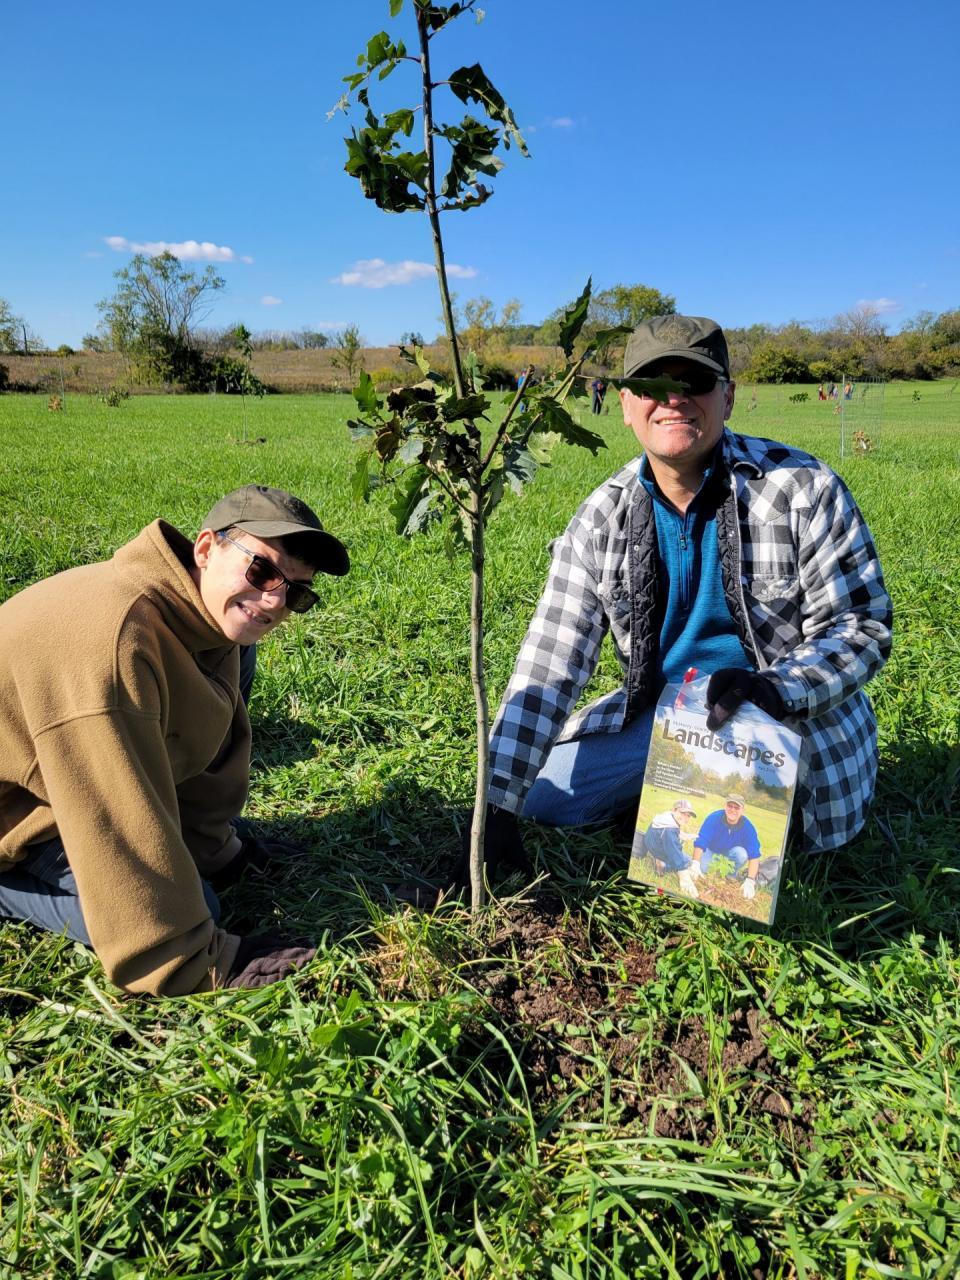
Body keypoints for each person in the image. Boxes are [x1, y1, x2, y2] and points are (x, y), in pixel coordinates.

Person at [477, 313, 892, 879]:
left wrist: (776, 688)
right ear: (625, 404)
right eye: (651, 385)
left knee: (763, 846)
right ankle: (671, 793)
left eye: (694, 382)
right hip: (671, 716)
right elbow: (550, 659)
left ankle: (724, 810)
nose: (673, 399)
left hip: (784, 719)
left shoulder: (804, 489)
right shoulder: (601, 517)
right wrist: (497, 805)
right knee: (541, 796)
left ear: (728, 397)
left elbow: (862, 625)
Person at [0, 485, 349, 996]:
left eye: (297, 592)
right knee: (189, 910)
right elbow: (110, 806)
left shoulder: (204, 619)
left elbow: (202, 740)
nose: (274, 601)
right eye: (261, 571)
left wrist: (214, 850)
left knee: (241, 647)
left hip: (57, 769)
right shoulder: (116, 648)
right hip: (19, 803)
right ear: (205, 548)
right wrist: (195, 959)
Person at [689, 794, 762, 900]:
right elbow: (701, 840)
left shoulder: (748, 827)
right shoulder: (714, 818)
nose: (732, 810)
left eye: (736, 807)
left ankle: (730, 875)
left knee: (742, 854)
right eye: (730, 806)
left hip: (731, 855)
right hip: (712, 851)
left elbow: (754, 855)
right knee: (702, 869)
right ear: (725, 806)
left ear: (742, 810)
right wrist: (695, 863)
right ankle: (693, 863)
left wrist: (750, 880)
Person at [640, 797, 701, 897]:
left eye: (688, 815)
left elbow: (667, 832)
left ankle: (659, 859)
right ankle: (662, 865)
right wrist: (685, 878)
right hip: (658, 850)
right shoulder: (669, 830)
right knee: (687, 861)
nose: (685, 818)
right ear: (674, 810)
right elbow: (675, 852)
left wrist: (684, 835)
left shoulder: (666, 817)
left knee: (683, 857)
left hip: (651, 844)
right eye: (682, 813)